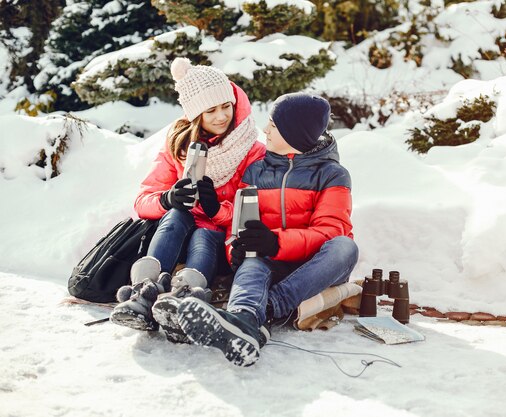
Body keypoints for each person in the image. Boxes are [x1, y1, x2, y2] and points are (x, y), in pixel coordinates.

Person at [176, 92, 359, 367]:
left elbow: (331, 231)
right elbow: (240, 227)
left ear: (294, 133)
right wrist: (233, 249)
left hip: (314, 267)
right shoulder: (256, 172)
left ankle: (270, 307)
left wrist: (276, 242)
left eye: (273, 125)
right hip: (271, 260)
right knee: (251, 258)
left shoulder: (332, 174)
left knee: (345, 247)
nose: (265, 130)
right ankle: (244, 320)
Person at [110, 58, 265, 341]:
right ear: (196, 114)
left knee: (205, 233)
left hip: (217, 242)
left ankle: (187, 299)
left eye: (225, 106)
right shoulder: (178, 147)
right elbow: (143, 200)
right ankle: (143, 294)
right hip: (174, 237)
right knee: (176, 216)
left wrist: (216, 210)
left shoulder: (252, 151)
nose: (221, 117)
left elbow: (252, 213)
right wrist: (168, 199)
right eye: (211, 110)